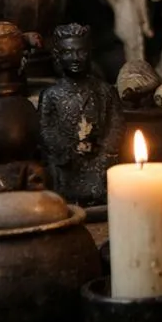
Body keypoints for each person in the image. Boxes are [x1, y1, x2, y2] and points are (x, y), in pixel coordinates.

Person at [38, 23, 123, 206]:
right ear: (58, 56)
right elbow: (46, 129)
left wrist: (105, 149)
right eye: (68, 53)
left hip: (98, 158)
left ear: (89, 54)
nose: (75, 58)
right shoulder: (51, 95)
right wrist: (68, 149)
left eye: (80, 52)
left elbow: (115, 124)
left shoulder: (105, 91)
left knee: (106, 176)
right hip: (66, 162)